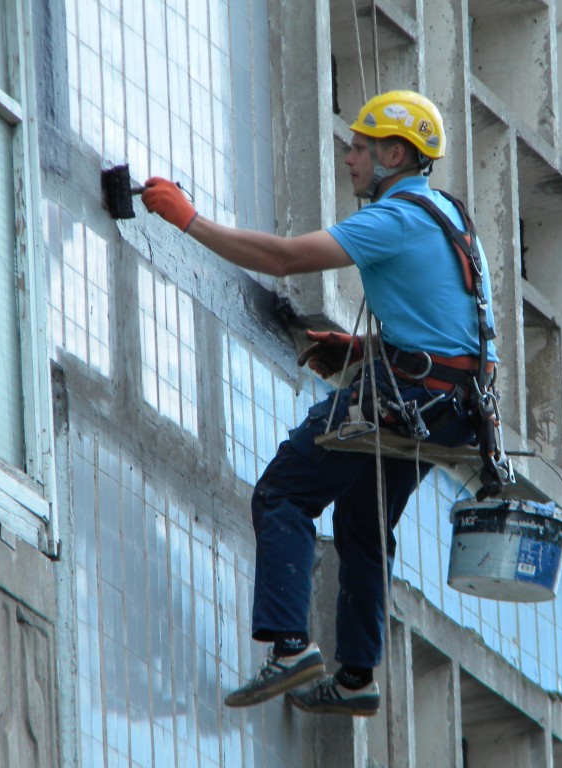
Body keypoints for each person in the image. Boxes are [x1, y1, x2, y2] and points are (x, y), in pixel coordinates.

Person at [141, 90, 499, 717]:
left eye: (359, 147)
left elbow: (284, 258)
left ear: (394, 153)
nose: (348, 158)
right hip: (451, 408)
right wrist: (364, 348)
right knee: (363, 519)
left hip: (404, 396)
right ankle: (357, 676)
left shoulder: (397, 217)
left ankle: (289, 645)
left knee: (283, 493)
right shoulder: (452, 218)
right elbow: (447, 329)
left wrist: (189, 220)